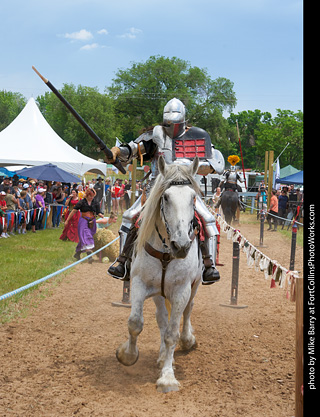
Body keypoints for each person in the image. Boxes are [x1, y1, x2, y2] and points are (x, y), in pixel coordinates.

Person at [106, 97, 225, 285]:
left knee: (207, 219)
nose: (171, 127)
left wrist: (195, 166)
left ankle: (208, 266)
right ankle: (123, 262)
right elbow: (135, 148)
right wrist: (117, 152)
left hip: (185, 190)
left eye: (174, 123)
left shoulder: (196, 137)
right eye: (168, 122)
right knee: (130, 216)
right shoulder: (157, 136)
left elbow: (215, 163)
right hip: (156, 190)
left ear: (183, 121)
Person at [65, 188, 104, 262]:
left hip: (92, 221)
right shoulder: (81, 202)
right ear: (87, 195)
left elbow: (98, 212)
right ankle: (89, 257)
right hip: (83, 221)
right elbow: (73, 211)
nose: (91, 197)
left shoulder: (95, 202)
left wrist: (101, 215)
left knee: (85, 238)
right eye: (90, 196)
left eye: (93, 196)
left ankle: (77, 253)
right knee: (86, 236)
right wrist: (67, 220)